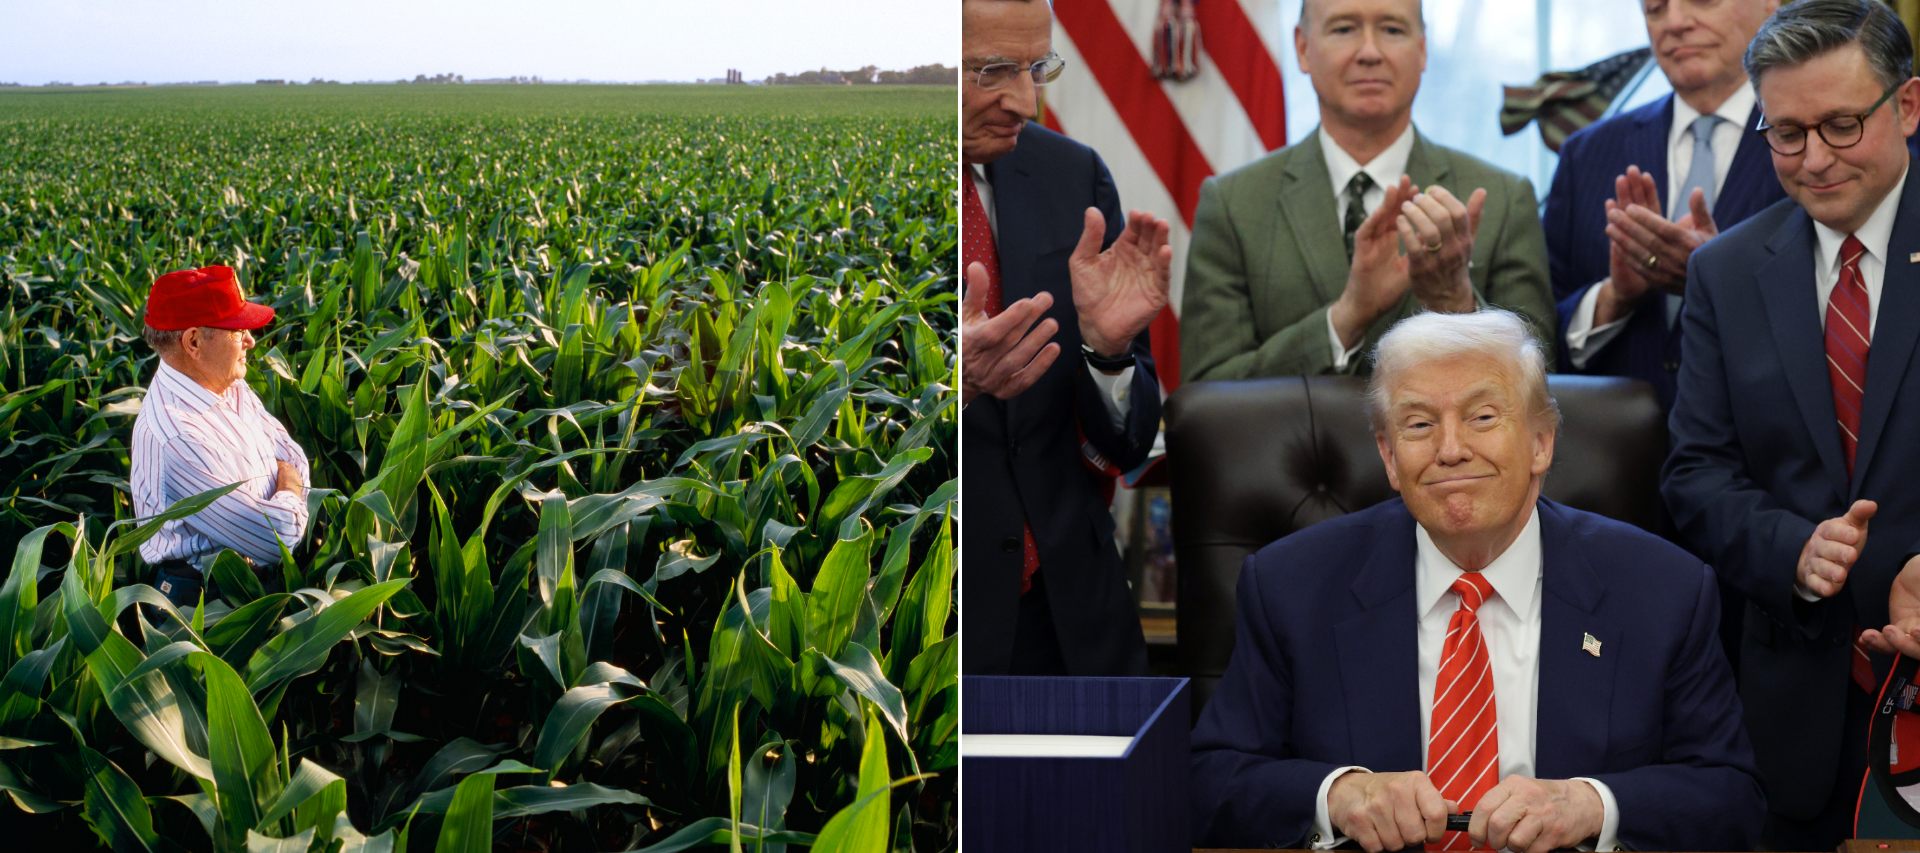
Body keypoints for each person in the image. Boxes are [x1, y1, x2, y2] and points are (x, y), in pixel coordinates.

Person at [1193, 310, 1763, 852]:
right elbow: (1211, 781)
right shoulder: (1291, 586)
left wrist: (1591, 805)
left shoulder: (1664, 590)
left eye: (1482, 417)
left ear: (1542, 442)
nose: (1450, 450)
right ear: (1389, 458)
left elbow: (1730, 797)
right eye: (1419, 424)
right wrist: (1339, 795)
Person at [1664, 1, 1920, 847]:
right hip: (1796, 707)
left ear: (1908, 106)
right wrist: (1794, 553)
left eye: (1842, 125)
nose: (1814, 159)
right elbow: (1695, 474)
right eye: (1786, 133)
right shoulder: (1724, 273)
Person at [959, 0, 1172, 676]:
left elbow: (1129, 441)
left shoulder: (1072, 175)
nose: (1025, 101)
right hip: (925, 621)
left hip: (1074, 621)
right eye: (993, 70)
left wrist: (1108, 353)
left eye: (1037, 68)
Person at [1179, 0, 1555, 383]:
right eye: (1344, 29)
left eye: (1392, 30)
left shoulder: (1504, 198)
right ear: (1303, 48)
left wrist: (1457, 304)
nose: (1370, 52)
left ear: (1422, 49)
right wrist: (1346, 318)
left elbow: (1540, 385)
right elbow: (1207, 394)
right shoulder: (1232, 204)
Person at [1545, 0, 1780, 411]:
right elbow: (1542, 330)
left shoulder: (1815, 148)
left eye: (1702, 1)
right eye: (1655, 8)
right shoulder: (1586, 154)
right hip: (1609, 460)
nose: (1674, 23)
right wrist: (1614, 298)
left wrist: (1716, 280)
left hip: (1762, 456)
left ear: (1769, 5)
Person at [132, 265, 310, 608]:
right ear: (194, 342)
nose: (251, 341)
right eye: (236, 330)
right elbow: (277, 537)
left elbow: (294, 456)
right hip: (204, 602)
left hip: (248, 583)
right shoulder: (177, 437)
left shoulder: (231, 386)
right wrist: (287, 484)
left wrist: (284, 485)